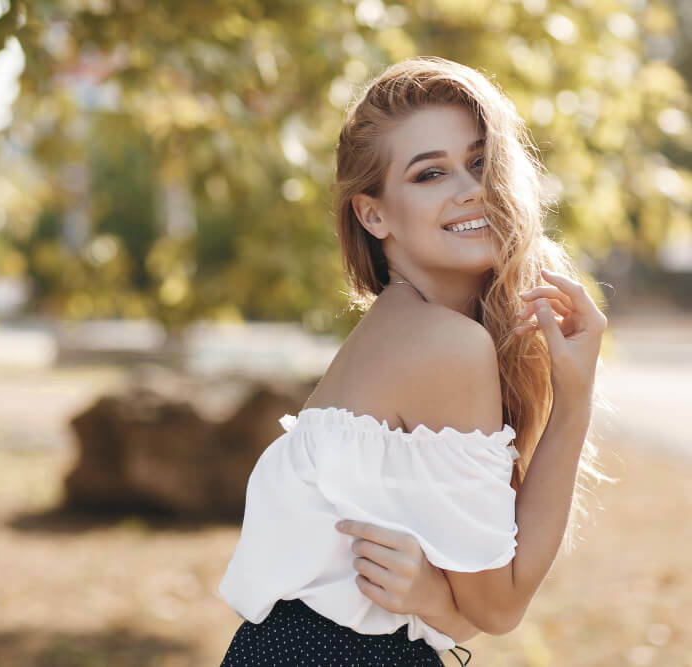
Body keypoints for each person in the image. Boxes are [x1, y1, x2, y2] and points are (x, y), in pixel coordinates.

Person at [217, 56, 615, 666]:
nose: (470, 187)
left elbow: (472, 607)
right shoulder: (443, 347)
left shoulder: (404, 328)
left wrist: (440, 601)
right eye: (430, 174)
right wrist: (575, 400)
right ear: (373, 213)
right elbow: (498, 609)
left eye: (479, 162)